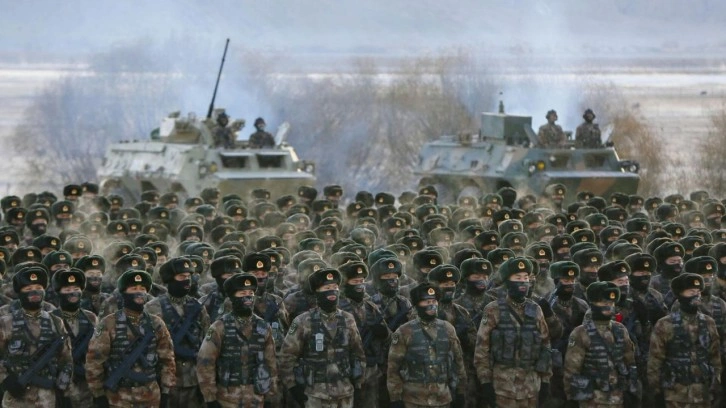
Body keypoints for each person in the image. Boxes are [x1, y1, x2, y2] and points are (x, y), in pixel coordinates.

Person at [86, 270, 176, 408]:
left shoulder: (156, 323)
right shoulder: (109, 323)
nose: (139, 292)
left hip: (150, 396)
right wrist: (98, 395)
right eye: (134, 288)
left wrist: (165, 391)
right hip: (118, 397)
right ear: (124, 292)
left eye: (143, 289)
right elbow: (94, 361)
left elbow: (167, 359)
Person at [278, 268, 366, 408]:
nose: (332, 292)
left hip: (345, 394)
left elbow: (358, 353)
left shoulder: (347, 319)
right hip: (314, 395)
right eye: (327, 288)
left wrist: (359, 383)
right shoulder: (303, 321)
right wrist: (294, 388)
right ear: (317, 292)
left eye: (334, 287)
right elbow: (286, 358)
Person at [474, 257, 552, 407]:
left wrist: (546, 381)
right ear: (508, 281)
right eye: (517, 278)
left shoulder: (535, 309)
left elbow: (546, 346)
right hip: (503, 387)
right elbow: (481, 350)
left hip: (531, 387)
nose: (523, 282)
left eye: (525, 278)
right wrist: (485, 383)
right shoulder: (493, 309)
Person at [196, 273, 278, 408]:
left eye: (251, 293)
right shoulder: (219, 327)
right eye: (242, 293)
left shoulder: (263, 327)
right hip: (226, 399)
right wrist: (210, 398)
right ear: (233, 297)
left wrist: (271, 395)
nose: (248, 297)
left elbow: (271, 364)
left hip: (256, 398)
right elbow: (205, 363)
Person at [0, 265, 73, 407]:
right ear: (20, 293)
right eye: (28, 289)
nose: (34, 292)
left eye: (38, 287)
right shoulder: (5, 323)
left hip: (47, 398)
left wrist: (65, 392)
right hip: (16, 398)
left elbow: (66, 361)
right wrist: (5, 379)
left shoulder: (56, 322)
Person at [387, 282, 467, 408]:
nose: (431, 305)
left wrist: (460, 391)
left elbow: (458, 363)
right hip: (414, 400)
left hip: (443, 399)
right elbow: (393, 368)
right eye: (426, 301)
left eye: (434, 301)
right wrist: (395, 398)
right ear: (417, 305)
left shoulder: (448, 329)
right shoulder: (404, 331)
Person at [648, 273, 722, 407]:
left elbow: (715, 357)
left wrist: (716, 384)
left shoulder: (708, 322)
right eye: (691, 292)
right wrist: (657, 391)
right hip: (675, 394)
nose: (696, 296)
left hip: (703, 393)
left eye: (698, 292)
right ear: (680, 295)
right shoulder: (665, 324)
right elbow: (655, 360)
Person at [145, 258, 211, 408]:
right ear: (170, 279)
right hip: (165, 382)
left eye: (188, 276)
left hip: (193, 380)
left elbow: (207, 345)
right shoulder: (153, 307)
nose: (186, 280)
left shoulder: (198, 307)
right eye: (181, 277)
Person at [563, 281, 640, 407]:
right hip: (591, 399)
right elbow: (571, 370)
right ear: (593, 303)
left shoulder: (620, 329)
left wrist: (632, 391)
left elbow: (630, 362)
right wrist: (571, 398)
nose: (608, 306)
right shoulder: (580, 333)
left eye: (611, 303)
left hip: (618, 397)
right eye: (604, 303)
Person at [52, 268, 98, 407]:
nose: (72, 293)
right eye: (67, 289)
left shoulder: (90, 317)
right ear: (59, 292)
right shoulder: (51, 318)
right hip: (59, 385)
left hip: (86, 385)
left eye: (76, 289)